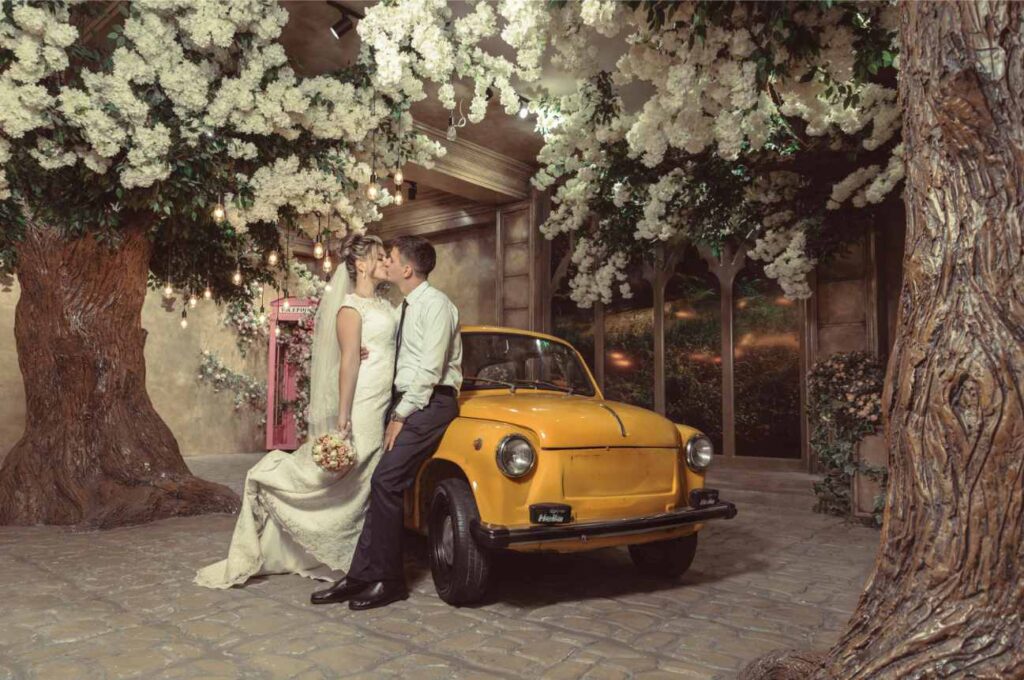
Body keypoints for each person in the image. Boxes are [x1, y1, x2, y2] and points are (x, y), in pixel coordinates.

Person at [195, 234, 396, 589]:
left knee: (366, 477)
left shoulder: (385, 306)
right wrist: (344, 415)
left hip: (385, 397)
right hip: (363, 399)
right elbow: (349, 361)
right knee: (350, 469)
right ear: (361, 265)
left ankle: (356, 551)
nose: (385, 262)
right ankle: (272, 483)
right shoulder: (350, 309)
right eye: (379, 257)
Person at [311, 234, 462, 610]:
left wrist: (400, 414)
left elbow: (429, 370)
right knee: (382, 482)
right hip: (406, 400)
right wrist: (363, 348)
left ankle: (390, 581)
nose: (386, 262)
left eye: (390, 258)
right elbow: (386, 342)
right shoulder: (403, 307)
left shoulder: (436, 306)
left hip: (431, 402)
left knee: (385, 479)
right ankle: (362, 574)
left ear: (407, 269)